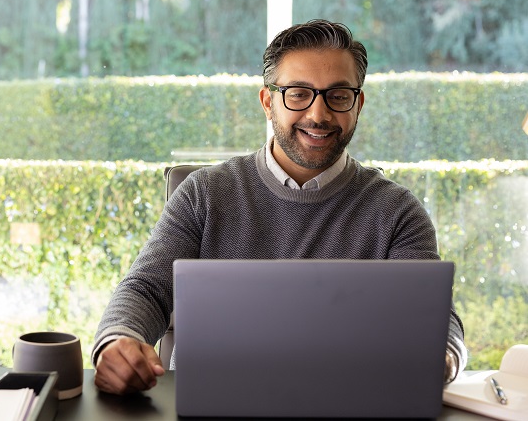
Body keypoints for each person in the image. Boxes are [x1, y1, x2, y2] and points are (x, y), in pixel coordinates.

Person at [92, 19, 468, 395]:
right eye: (298, 93)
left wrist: (443, 356)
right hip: (211, 403)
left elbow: (434, 319)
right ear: (268, 101)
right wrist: (118, 340)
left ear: (358, 104)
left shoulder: (397, 212)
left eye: (337, 95)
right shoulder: (203, 193)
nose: (318, 115)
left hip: (347, 405)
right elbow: (145, 289)